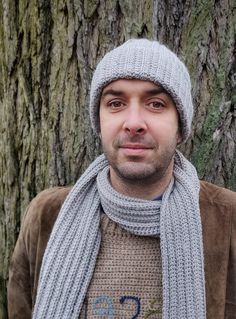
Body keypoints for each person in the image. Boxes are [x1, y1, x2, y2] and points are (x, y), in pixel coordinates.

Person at [8, 39, 236, 319]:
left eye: (155, 103)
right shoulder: (47, 215)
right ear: (99, 121)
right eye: (116, 103)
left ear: (180, 126)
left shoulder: (227, 219)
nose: (134, 122)